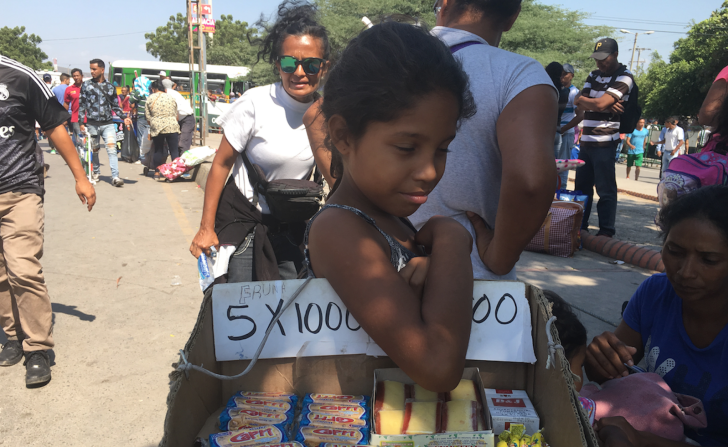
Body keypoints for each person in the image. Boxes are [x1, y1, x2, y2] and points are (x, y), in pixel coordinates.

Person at [306, 20, 475, 391]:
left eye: (443, 148)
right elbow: (439, 367)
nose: (430, 171)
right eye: (406, 148)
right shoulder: (340, 229)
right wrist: (451, 237)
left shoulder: (390, 220)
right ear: (343, 136)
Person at [408, 0, 557, 280]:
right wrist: (501, 257)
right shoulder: (519, 75)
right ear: (512, 17)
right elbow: (531, 181)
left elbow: (319, 117)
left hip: (372, 269)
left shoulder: (385, 58)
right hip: (472, 283)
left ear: (445, 4)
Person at [189, 0, 331, 283]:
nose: (299, 72)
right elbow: (221, 164)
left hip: (291, 228)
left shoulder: (329, 114)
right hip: (244, 224)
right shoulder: (255, 102)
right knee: (241, 313)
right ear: (278, 65)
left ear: (324, 67)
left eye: (311, 64)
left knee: (291, 315)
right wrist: (206, 227)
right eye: (289, 62)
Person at [585, 185, 728, 446]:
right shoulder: (656, 293)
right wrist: (599, 359)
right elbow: (610, 376)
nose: (685, 272)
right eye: (675, 252)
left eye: (708, 260)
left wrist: (641, 440)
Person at [0, 55, 96, 387]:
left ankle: (37, 348)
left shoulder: (19, 76)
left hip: (20, 187)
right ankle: (12, 336)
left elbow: (55, 126)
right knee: (0, 274)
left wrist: (80, 177)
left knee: (22, 267)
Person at [574, 38, 635, 238]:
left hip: (605, 143)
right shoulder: (593, 75)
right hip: (586, 142)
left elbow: (594, 103)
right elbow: (578, 102)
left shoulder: (625, 77)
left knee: (605, 189)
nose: (599, 63)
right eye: (597, 59)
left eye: (604, 59)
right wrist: (603, 103)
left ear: (615, 55)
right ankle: (579, 227)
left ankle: (606, 231)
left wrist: (596, 102)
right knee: (582, 189)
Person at [78, 58, 132, 187]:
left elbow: (115, 106)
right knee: (95, 150)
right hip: (92, 124)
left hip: (108, 124)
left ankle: (115, 177)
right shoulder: (86, 85)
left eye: (94, 69)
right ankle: (96, 172)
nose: (92, 71)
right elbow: (81, 105)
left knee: (112, 150)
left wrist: (124, 117)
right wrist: (81, 123)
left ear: (102, 70)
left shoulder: (110, 87)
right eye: (91, 69)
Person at [145, 81, 180, 181]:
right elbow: (176, 115)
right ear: (164, 89)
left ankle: (157, 173)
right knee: (174, 150)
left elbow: (148, 117)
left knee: (158, 150)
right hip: (172, 125)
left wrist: (153, 125)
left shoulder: (150, 98)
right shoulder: (171, 98)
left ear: (153, 89)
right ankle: (175, 173)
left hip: (157, 126)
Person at [558, 63, 583, 186]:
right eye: (561, 73)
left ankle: (560, 192)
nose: (562, 76)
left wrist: (564, 129)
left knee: (563, 166)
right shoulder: (557, 89)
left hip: (565, 133)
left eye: (565, 73)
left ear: (571, 76)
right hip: (555, 133)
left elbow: (580, 115)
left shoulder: (574, 92)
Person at [546, 61, 569, 188]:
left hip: (545, 132)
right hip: (557, 131)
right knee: (553, 167)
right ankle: (553, 194)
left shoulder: (545, 88)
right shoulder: (565, 92)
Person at [161, 79, 195, 155]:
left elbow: (174, 110)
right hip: (181, 119)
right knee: (177, 143)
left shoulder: (169, 94)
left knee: (183, 143)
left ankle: (183, 162)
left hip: (187, 119)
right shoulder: (172, 93)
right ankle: (179, 161)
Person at [130, 73, 152, 163]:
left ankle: (142, 157)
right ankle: (150, 156)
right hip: (151, 118)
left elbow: (131, 100)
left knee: (141, 138)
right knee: (150, 138)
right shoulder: (151, 92)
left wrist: (134, 90)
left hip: (142, 117)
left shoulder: (139, 92)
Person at [63, 69, 84, 153]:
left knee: (90, 140)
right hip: (76, 118)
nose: (76, 77)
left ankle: (90, 160)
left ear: (82, 76)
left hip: (89, 118)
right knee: (80, 140)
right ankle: (80, 160)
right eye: (74, 76)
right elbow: (66, 104)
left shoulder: (88, 87)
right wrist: (64, 118)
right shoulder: (69, 89)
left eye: (77, 75)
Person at [50, 74, 71, 155]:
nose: (69, 81)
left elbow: (52, 101)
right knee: (72, 131)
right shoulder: (69, 89)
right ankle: (69, 148)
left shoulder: (55, 89)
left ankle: (57, 148)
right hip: (69, 111)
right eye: (69, 80)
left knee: (59, 130)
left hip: (58, 112)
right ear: (65, 80)